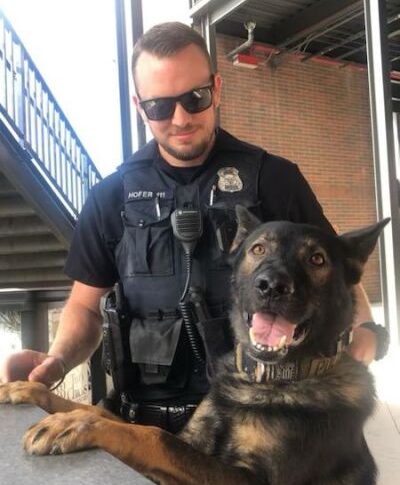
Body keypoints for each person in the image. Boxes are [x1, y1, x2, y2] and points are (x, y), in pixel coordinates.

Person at [0, 22, 386, 431]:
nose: (181, 118)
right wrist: (55, 361)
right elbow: (84, 306)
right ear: (139, 105)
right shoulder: (111, 196)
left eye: (195, 98)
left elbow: (334, 270)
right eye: (159, 106)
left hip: (261, 421)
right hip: (143, 426)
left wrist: (362, 331)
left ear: (216, 89)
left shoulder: (274, 179)